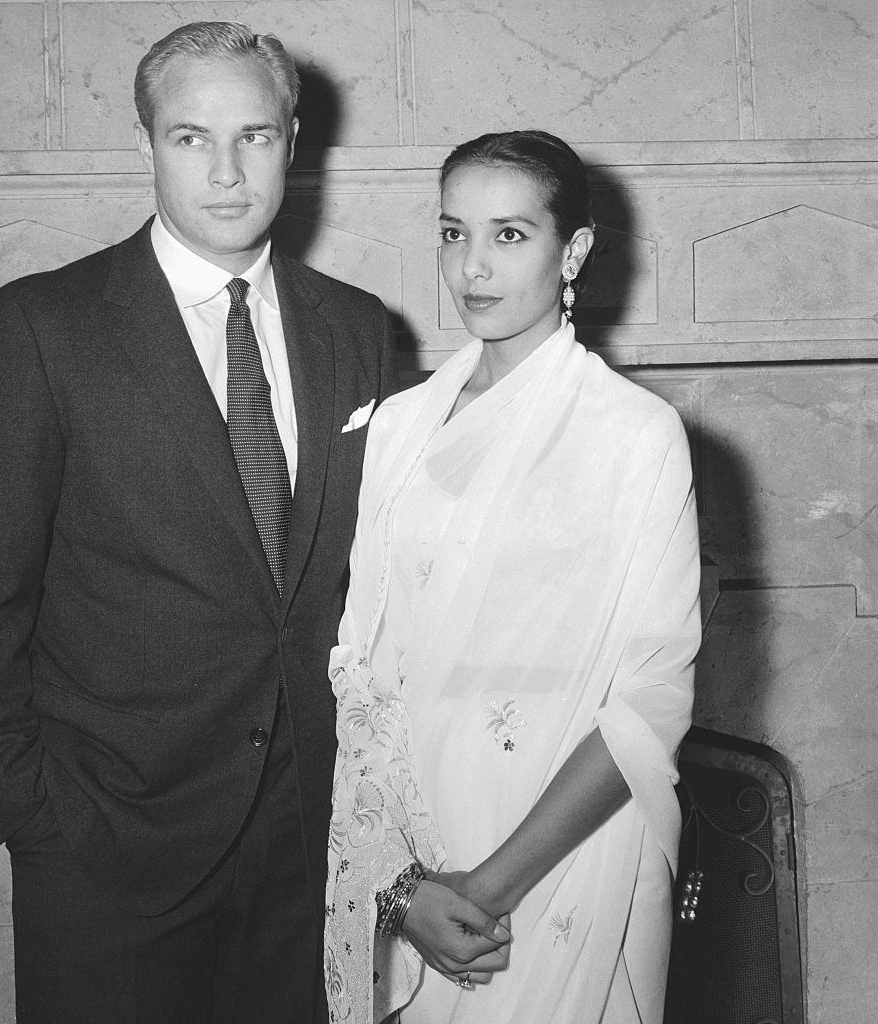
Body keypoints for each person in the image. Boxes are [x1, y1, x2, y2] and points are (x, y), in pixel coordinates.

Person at [0, 21, 400, 1024]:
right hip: (110, 856)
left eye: (254, 136)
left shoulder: (359, 332)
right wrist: (41, 820)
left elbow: (390, 576)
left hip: (310, 849)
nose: (226, 171)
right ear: (145, 144)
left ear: (293, 141)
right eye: (190, 138)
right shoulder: (39, 329)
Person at [325, 130, 701, 1024]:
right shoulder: (398, 431)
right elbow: (361, 670)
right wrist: (399, 884)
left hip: (561, 848)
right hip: (411, 845)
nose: (473, 268)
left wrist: (492, 885)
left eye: (509, 235)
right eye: (454, 233)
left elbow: (651, 701)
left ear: (572, 250)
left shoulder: (634, 437)